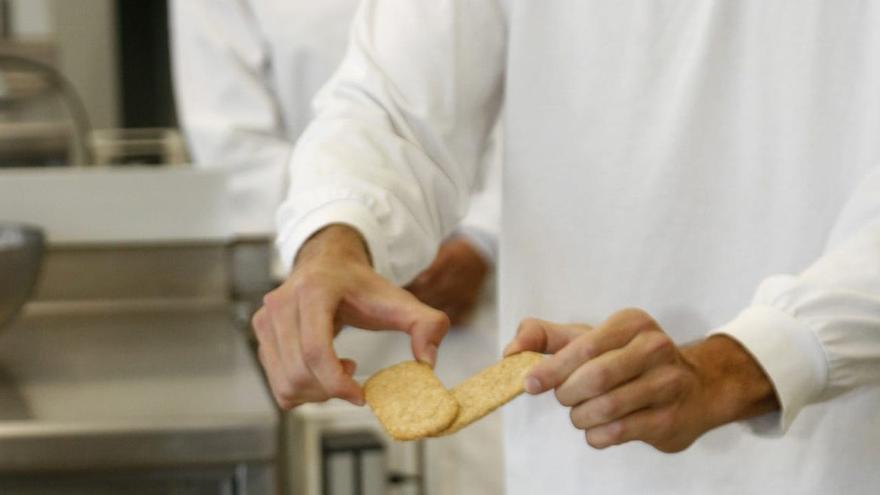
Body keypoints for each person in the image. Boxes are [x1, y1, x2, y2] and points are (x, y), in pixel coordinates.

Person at [252, 1, 880, 494]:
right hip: (576, 460)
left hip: (845, 457)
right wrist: (334, 239)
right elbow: (391, 103)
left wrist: (743, 365)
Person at [169, 1, 504, 493]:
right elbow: (233, 142)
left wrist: (483, 235)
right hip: (337, 317)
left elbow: (549, 98)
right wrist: (344, 234)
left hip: (496, 296)